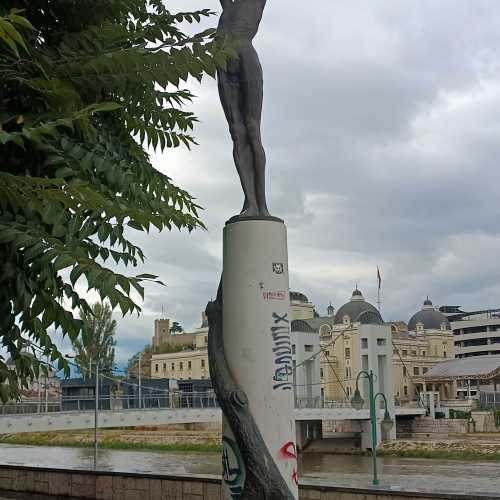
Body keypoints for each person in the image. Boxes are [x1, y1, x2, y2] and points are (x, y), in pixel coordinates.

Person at [218, 0, 269, 217]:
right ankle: (250, 203)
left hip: (245, 54)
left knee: (252, 129)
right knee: (237, 133)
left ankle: (262, 206)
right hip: (222, 59)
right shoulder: (228, 7)